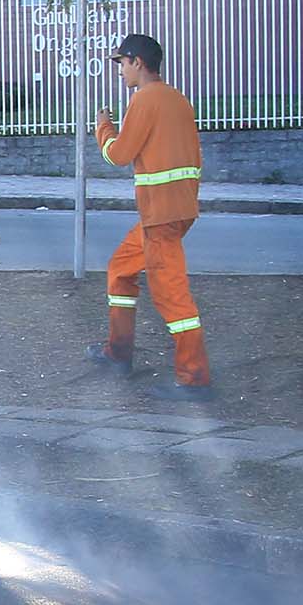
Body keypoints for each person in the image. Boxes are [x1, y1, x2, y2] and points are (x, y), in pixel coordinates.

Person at [86, 31, 211, 398]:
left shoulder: (145, 100)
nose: (121, 71)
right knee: (121, 270)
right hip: (173, 210)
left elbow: (119, 154)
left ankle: (194, 378)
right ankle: (117, 354)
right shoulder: (177, 99)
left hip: (160, 215)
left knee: (171, 295)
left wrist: (103, 128)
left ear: (137, 63)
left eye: (122, 64)